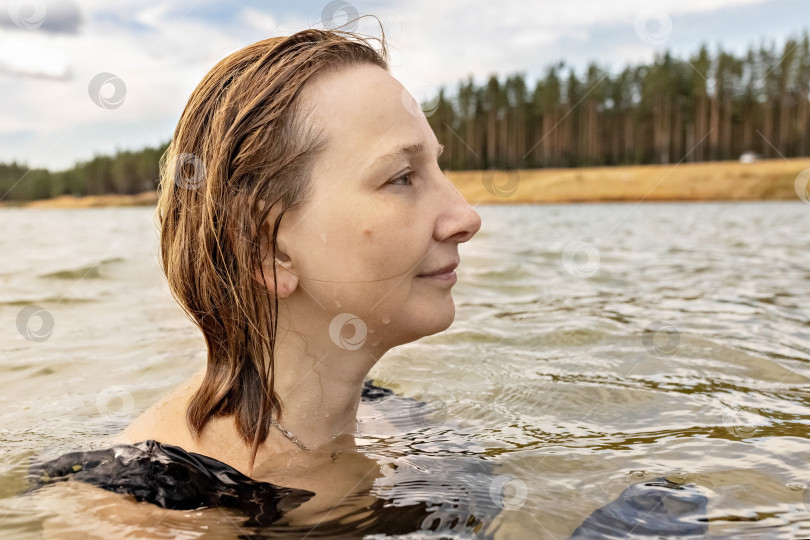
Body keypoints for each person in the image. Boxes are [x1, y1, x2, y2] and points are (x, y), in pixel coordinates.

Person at [23, 22, 487, 536]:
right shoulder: (147, 510)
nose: (465, 216)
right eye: (401, 178)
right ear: (267, 249)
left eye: (438, 169)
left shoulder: (391, 414)